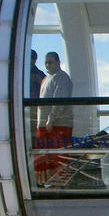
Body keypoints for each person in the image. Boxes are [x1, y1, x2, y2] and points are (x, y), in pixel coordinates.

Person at [35, 52, 74, 185]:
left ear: (58, 62)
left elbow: (60, 100)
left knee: (58, 157)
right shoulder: (46, 79)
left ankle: (60, 183)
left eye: (50, 62)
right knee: (44, 157)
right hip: (45, 124)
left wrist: (51, 119)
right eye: (46, 62)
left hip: (57, 124)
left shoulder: (62, 77)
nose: (47, 65)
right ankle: (48, 183)